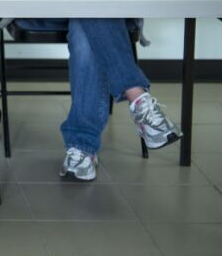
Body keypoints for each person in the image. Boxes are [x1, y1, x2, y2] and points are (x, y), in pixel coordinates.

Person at [11, 18, 182, 181]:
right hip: (48, 10)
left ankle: (82, 147)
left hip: (106, 8)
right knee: (90, 12)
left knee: (86, 25)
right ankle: (138, 100)